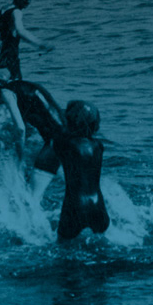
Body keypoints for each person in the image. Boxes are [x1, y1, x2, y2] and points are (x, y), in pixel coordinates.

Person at [0, 69, 64, 198]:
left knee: (31, 198)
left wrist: (19, 161)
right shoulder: (24, 87)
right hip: (68, 138)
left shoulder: (6, 92)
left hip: (55, 143)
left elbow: (20, 129)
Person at [54, 101, 109, 241]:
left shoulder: (65, 144)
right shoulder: (98, 146)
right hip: (98, 204)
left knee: (62, 248)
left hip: (75, 205)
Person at [0, 0, 53, 83]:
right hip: (9, 62)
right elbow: (20, 31)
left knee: (4, 91)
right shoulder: (16, 12)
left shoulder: (4, 9)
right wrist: (40, 44)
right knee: (16, 90)